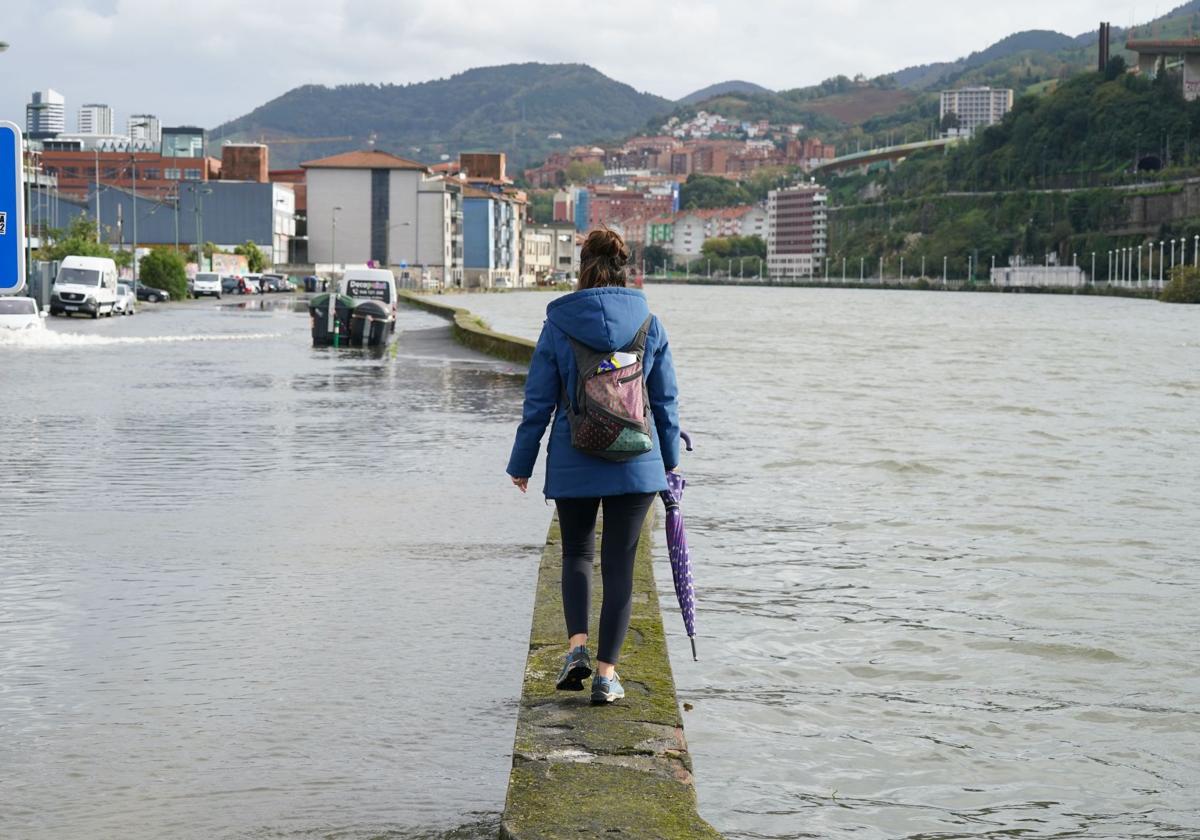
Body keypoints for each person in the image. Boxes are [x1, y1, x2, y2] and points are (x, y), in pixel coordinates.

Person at [507, 228, 680, 705]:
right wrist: (669, 463)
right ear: (626, 270)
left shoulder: (559, 324)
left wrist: (522, 463)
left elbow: (538, 402)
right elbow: (664, 403)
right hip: (637, 461)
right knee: (621, 566)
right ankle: (607, 677)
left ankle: (576, 650)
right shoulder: (650, 322)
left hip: (574, 456)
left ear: (581, 268)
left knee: (578, 555)